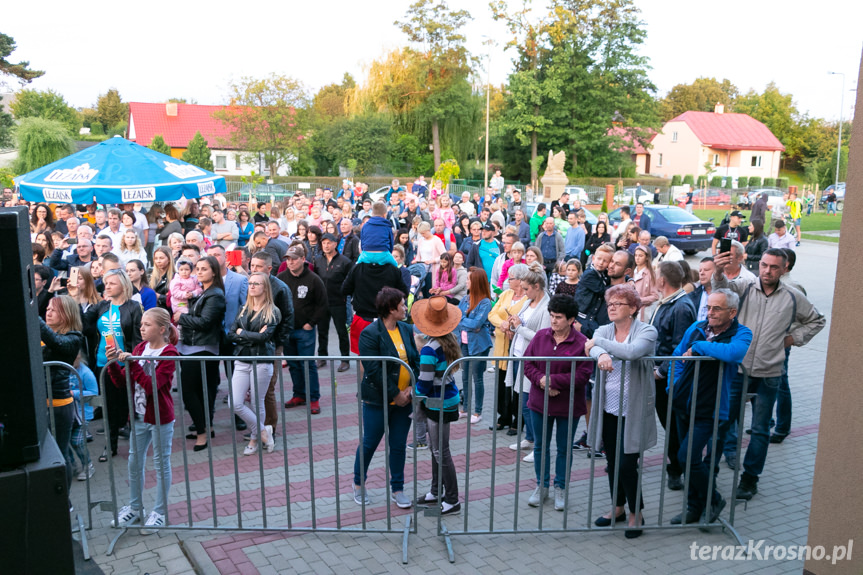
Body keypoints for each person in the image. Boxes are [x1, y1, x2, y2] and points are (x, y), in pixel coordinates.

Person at [712, 248, 825, 499]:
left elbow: (817, 320)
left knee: (761, 429)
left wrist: (793, 338)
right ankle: (708, 476)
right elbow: (722, 290)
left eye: (774, 267)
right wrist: (718, 271)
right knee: (722, 423)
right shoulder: (745, 287)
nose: (767, 271)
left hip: (770, 373)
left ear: (784, 269)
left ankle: (749, 480)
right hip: (738, 370)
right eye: (764, 265)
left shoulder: (793, 297)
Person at [669, 289, 752, 526]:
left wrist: (700, 347)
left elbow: (734, 353)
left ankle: (713, 500)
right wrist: (672, 386)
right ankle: (694, 507)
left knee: (688, 457)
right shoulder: (696, 327)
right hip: (683, 402)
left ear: (732, 312)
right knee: (686, 459)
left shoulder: (741, 333)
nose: (710, 313)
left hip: (711, 408)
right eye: (709, 308)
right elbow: (677, 355)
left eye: (717, 309)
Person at [586, 285, 658, 539]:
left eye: (618, 303)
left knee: (628, 463)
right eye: (610, 304)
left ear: (634, 308)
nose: (612, 307)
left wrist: (600, 346)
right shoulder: (604, 330)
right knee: (612, 462)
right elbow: (591, 348)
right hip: (608, 406)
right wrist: (600, 351)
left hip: (634, 408)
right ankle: (617, 507)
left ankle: (636, 513)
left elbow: (632, 352)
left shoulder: (647, 330)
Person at [105, 308, 178, 534]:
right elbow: (125, 384)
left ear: (162, 329)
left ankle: (160, 511)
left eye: (147, 324)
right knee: (134, 463)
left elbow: (152, 386)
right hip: (137, 415)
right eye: (142, 324)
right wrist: (114, 366)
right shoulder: (139, 349)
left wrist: (133, 364)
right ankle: (135, 507)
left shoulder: (169, 353)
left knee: (160, 462)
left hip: (159, 417)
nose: (141, 328)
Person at [524, 295, 593, 510]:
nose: (554, 321)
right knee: (541, 447)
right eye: (552, 316)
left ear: (571, 319)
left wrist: (553, 381)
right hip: (539, 402)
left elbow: (583, 373)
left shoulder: (582, 342)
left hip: (568, 405)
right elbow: (528, 363)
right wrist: (541, 381)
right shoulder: (541, 337)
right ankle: (541, 486)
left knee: (564, 449)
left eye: (559, 317)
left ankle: (560, 487)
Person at [352, 288, 419, 508]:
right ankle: (359, 484)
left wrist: (410, 387)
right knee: (370, 443)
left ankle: (397, 489)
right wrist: (395, 394)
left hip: (404, 401)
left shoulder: (407, 329)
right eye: (402, 304)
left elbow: (415, 361)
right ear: (391, 309)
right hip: (378, 400)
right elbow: (373, 369)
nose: (405, 308)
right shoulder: (371, 333)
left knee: (398, 445)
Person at [82, 269, 143, 457]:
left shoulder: (133, 307)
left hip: (125, 364)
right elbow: (82, 324)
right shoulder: (101, 306)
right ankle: (111, 446)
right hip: (103, 363)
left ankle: (135, 444)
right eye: (106, 283)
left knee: (126, 405)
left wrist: (129, 355)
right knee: (108, 406)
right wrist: (78, 298)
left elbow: (139, 339)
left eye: (112, 283)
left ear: (123, 285)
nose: (106, 286)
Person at [411, 296, 463, 514]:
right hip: (447, 398)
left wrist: (413, 395)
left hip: (437, 401)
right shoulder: (446, 340)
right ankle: (436, 491)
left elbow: (424, 382)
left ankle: (452, 499)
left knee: (441, 451)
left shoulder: (429, 349)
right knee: (437, 449)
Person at [648, 261, 696, 491]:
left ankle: (679, 468)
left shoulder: (680, 307)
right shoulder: (666, 303)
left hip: (670, 381)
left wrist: (661, 371)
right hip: (660, 377)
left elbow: (680, 346)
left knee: (676, 426)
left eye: (656, 274)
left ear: (662, 281)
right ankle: (678, 464)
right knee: (671, 425)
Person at [175, 257, 226, 452]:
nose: (199, 272)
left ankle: (202, 432)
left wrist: (183, 317)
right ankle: (206, 426)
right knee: (202, 390)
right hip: (194, 347)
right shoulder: (205, 292)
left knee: (190, 392)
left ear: (214, 272)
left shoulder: (215, 295)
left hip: (202, 348)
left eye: (204, 269)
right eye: (198, 268)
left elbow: (205, 322)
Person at [227, 272, 280, 456]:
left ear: (265, 287)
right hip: (242, 359)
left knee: (258, 403)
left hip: (262, 360)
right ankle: (264, 431)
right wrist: (251, 336)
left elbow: (264, 338)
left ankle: (254, 439)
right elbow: (231, 334)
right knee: (234, 402)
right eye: (250, 283)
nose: (252, 286)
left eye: (256, 283)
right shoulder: (243, 308)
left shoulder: (272, 311)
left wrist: (243, 334)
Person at [41, 296, 85, 506]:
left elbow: (56, 343)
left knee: (61, 454)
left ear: (66, 314)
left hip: (59, 406)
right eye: (47, 309)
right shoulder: (44, 334)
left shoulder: (73, 337)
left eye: (54, 310)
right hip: (41, 403)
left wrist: (33, 316)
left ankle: (63, 503)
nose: (48, 313)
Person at [506, 262, 551, 458]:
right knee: (522, 400)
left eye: (526, 289)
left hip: (533, 361)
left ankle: (539, 445)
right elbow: (522, 322)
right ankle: (530, 438)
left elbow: (542, 338)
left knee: (531, 403)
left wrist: (519, 327)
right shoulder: (528, 302)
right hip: (518, 355)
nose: (523, 293)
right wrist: (515, 321)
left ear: (537, 287)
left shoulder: (547, 307)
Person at [278, 246, 328, 414]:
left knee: (308, 364)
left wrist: (311, 323)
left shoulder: (314, 280)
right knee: (293, 364)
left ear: (303, 259)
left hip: (305, 330)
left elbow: (323, 305)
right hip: (287, 329)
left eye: (294, 258)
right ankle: (299, 394)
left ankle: (314, 398)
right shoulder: (281, 278)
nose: (290, 262)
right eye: (288, 259)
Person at [488, 263, 530, 431]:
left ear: (520, 280)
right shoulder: (505, 294)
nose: (507, 280)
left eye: (510, 278)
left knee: (516, 385)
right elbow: (492, 314)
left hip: (517, 346)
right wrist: (503, 324)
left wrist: (512, 326)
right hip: (500, 345)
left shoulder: (528, 298)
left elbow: (524, 319)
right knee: (501, 383)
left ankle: (517, 420)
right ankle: (503, 416)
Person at [456, 268, 494, 424]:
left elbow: (476, 323)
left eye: (469, 279)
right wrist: (467, 323)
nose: (466, 282)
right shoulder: (465, 299)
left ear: (476, 282)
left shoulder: (485, 302)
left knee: (477, 378)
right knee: (465, 377)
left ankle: (478, 412)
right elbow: (456, 318)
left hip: (479, 345)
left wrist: (462, 321)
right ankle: (465, 409)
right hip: (464, 343)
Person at [314, 233, 353, 371]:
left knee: (341, 331)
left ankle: (345, 360)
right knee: (322, 331)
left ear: (335, 244)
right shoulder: (317, 260)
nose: (326, 245)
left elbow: (350, 281)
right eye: (323, 242)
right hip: (322, 303)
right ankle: (322, 357)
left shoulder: (344, 261)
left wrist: (346, 296)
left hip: (338, 302)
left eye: (329, 242)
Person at [574, 244, 614, 338]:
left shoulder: (602, 273)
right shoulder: (589, 274)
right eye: (599, 259)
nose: (601, 263)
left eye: (605, 261)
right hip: (583, 315)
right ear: (593, 259)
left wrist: (629, 279)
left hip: (591, 315)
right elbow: (602, 290)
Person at [632, 246, 659, 321]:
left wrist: (639, 300)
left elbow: (655, 296)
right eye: (636, 255)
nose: (637, 258)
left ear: (646, 257)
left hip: (643, 313)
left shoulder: (650, 274)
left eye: (640, 256)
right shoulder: (631, 272)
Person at [689, 257, 715, 322]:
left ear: (717, 272)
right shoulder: (693, 295)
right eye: (700, 270)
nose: (702, 273)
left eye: (706, 270)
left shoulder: (724, 294)